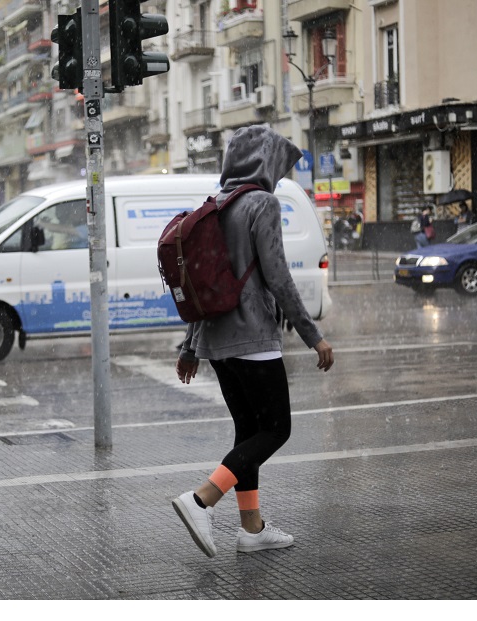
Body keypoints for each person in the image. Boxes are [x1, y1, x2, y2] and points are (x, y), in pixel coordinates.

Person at [170, 125, 334, 558]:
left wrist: (190, 346)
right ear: (263, 164)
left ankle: (252, 529)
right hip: (254, 337)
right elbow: (278, 276)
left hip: (216, 341)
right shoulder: (262, 203)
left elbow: (204, 282)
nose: (278, 178)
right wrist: (313, 336)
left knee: (248, 433)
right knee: (276, 429)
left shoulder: (215, 205)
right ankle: (201, 499)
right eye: (277, 167)